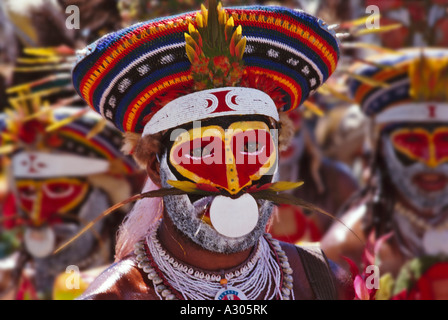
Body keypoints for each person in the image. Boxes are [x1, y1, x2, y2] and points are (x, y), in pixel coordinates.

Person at [69, 0, 354, 300]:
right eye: (203, 150)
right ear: (155, 165)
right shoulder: (116, 297)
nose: (232, 181)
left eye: (251, 146)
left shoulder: (328, 284)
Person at [321, 48, 448, 300]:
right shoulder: (347, 248)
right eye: (412, 140)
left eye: (445, 139)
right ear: (380, 149)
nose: (432, 160)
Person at [0, 91, 140, 299]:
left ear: (102, 197)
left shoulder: (138, 279)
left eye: (58, 190)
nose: (38, 215)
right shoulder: (9, 272)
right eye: (28, 193)